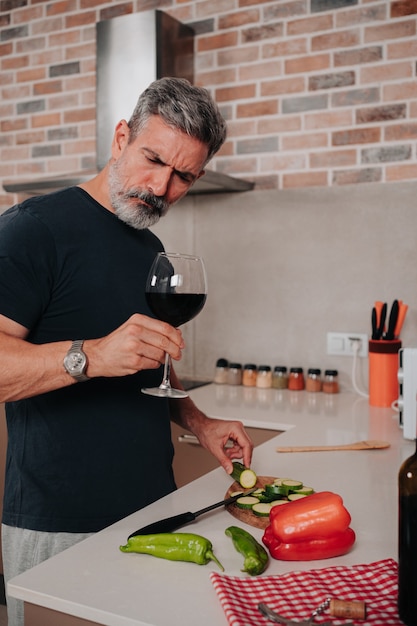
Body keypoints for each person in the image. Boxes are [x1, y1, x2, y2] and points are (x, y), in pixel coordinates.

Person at [0, 77, 253, 625]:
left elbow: (149, 364)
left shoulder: (151, 246)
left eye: (182, 175)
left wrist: (197, 419)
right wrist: (89, 356)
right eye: (153, 158)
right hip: (58, 522)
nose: (160, 186)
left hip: (154, 510)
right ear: (121, 138)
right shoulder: (31, 230)